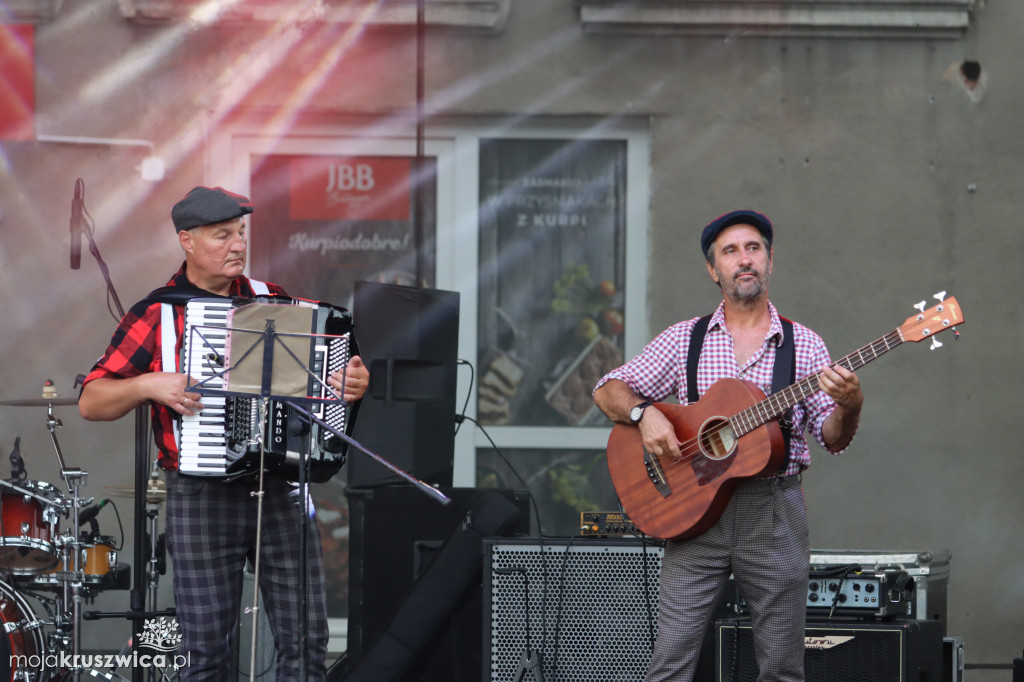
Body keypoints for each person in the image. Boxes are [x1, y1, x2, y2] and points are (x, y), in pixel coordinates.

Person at [79, 186, 369, 681]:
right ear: (186, 241)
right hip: (198, 493)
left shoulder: (273, 302)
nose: (238, 245)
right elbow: (91, 400)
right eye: (222, 235)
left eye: (241, 233)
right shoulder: (157, 314)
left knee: (306, 641)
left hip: (280, 486)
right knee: (205, 651)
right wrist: (148, 383)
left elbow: (327, 381)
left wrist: (350, 383)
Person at [593, 209, 864, 682]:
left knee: (781, 669)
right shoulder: (685, 339)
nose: (745, 260)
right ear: (712, 269)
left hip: (773, 513)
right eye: (731, 251)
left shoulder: (804, 346)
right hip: (692, 511)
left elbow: (830, 437)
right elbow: (606, 388)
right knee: (669, 665)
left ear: (770, 261)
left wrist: (851, 405)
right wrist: (644, 412)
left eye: (754, 248)